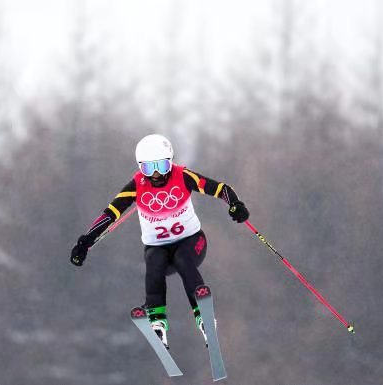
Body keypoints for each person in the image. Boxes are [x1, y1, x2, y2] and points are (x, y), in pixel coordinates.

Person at [70, 134, 249, 348]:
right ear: (140, 168)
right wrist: (85, 242)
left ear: (170, 162)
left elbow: (220, 189)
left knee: (183, 259)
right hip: (159, 250)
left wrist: (235, 204)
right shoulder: (136, 186)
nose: (155, 174)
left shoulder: (182, 176)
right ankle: (157, 322)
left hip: (192, 243)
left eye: (161, 166)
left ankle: (203, 317)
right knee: (154, 262)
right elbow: (111, 213)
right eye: (148, 169)